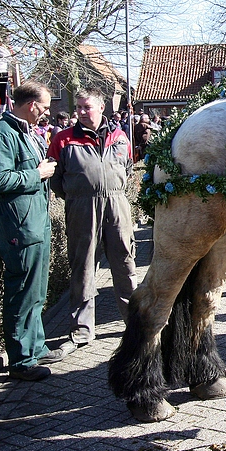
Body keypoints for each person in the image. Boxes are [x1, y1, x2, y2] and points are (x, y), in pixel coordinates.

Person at [0, 80, 62, 381]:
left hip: (33, 222)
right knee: (22, 290)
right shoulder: (1, 135)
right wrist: (36, 173)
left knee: (37, 289)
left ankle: (36, 346)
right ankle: (21, 360)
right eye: (44, 107)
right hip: (19, 226)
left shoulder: (22, 132)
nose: (45, 113)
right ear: (31, 105)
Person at [47, 88, 137, 356]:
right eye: (79, 107)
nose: (82, 112)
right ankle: (82, 330)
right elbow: (56, 179)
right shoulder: (63, 140)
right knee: (83, 266)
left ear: (101, 108)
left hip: (117, 204)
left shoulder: (120, 137)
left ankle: (134, 324)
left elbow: (128, 169)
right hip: (82, 208)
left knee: (125, 263)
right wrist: (79, 197)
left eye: (87, 107)